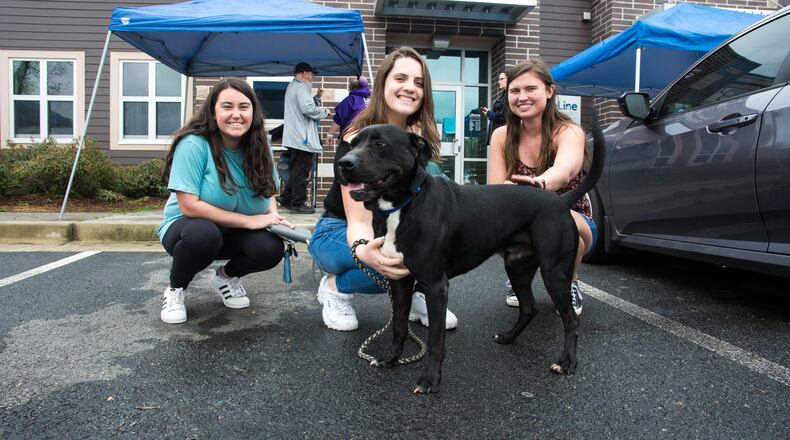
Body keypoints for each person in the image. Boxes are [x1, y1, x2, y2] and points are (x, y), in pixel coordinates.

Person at [307, 47, 458, 332]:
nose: (409, 88)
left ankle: (414, 291)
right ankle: (334, 287)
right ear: (383, 84)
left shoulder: (419, 139)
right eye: (400, 78)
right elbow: (359, 222)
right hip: (338, 232)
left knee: (438, 243)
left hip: (391, 226)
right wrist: (368, 253)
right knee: (389, 263)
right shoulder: (356, 139)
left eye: (419, 82)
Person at [157, 77, 293, 324]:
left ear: (253, 111)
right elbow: (189, 205)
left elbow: (269, 190)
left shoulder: (262, 147)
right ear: (213, 111)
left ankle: (225, 277)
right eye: (227, 106)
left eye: (243, 107)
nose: (236, 114)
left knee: (270, 247)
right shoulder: (194, 144)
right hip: (187, 231)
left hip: (232, 233)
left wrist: (271, 217)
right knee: (203, 233)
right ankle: (176, 289)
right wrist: (250, 221)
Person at [487, 60, 595, 316]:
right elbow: (494, 191)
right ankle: (520, 279)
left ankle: (570, 281)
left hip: (572, 216)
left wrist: (540, 184)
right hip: (521, 218)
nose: (522, 97)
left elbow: (566, 169)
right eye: (515, 91)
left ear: (549, 91)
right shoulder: (501, 135)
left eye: (530, 89)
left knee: (565, 229)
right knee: (494, 225)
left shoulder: (568, 131)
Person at [279, 62, 330, 214]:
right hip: (302, 138)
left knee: (296, 170)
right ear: (304, 74)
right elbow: (308, 109)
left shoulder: (294, 86)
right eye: (311, 74)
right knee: (301, 172)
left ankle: (286, 198)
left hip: (295, 137)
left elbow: (304, 104)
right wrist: (324, 111)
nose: (313, 77)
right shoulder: (301, 87)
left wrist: (316, 97)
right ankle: (298, 203)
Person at [325, 76, 371, 145]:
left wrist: (330, 134)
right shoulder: (371, 101)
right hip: (368, 139)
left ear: (352, 88)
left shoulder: (351, 100)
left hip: (351, 138)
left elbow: (339, 119)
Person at [481, 71, 508, 145]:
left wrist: (489, 113)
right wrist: (489, 113)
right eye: (499, 79)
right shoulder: (503, 96)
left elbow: (503, 117)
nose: (499, 82)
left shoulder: (510, 96)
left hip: (504, 136)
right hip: (498, 135)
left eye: (501, 79)